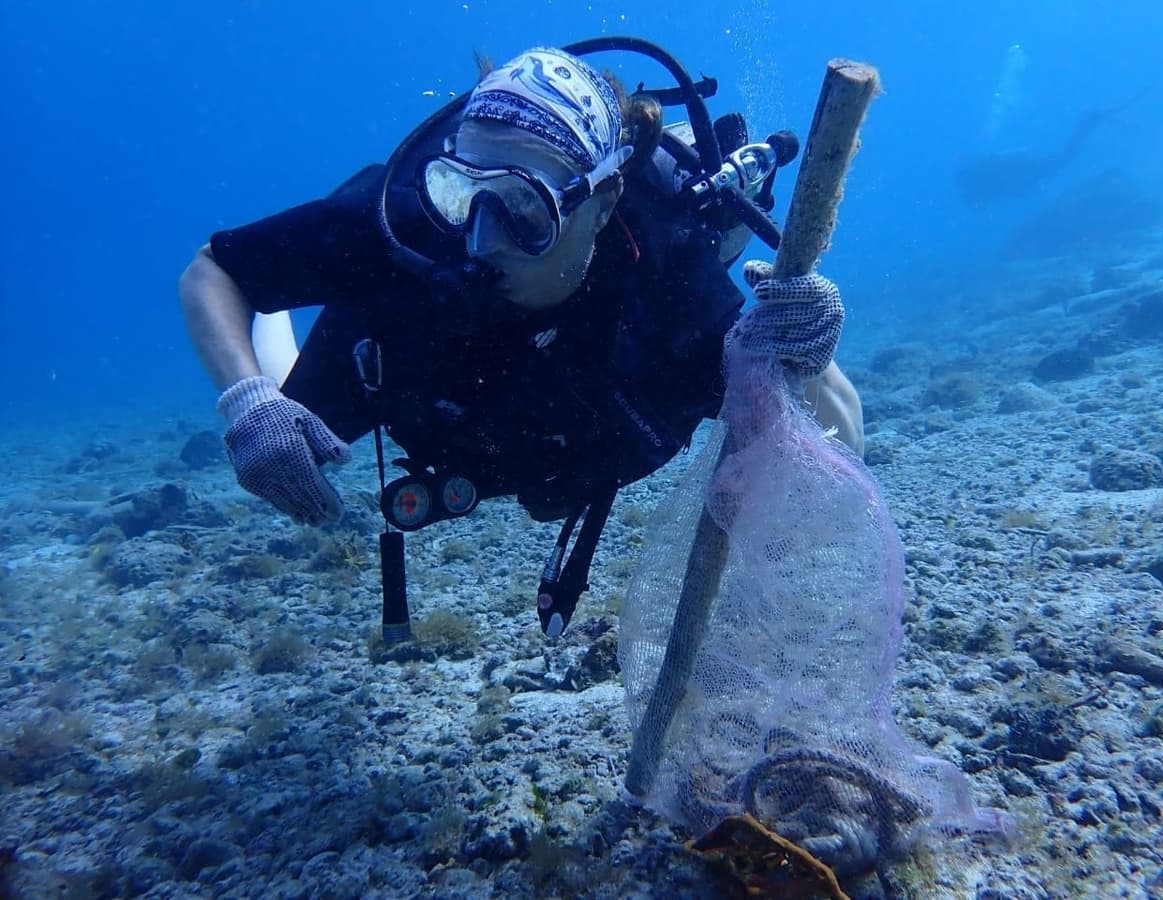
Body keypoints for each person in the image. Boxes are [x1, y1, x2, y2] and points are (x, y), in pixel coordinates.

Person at [179, 42, 863, 635]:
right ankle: (282, 335)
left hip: (570, 456)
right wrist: (249, 401)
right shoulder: (409, 225)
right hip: (419, 394)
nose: (479, 242)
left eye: (524, 209)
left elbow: (839, 466)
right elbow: (215, 270)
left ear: (602, 204)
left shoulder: (671, 290)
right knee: (294, 419)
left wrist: (809, 362)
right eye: (460, 193)